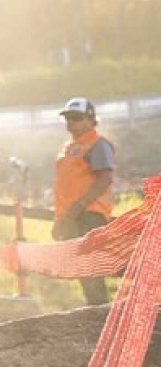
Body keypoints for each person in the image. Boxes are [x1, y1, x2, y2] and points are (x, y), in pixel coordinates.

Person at [52, 96, 116, 306]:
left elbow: (105, 178)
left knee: (92, 270)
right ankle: (95, 312)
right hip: (72, 216)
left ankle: (99, 314)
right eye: (68, 118)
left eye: (76, 118)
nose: (71, 122)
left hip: (89, 215)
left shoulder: (97, 144)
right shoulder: (70, 147)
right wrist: (61, 219)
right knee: (82, 270)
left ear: (90, 119)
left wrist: (79, 206)